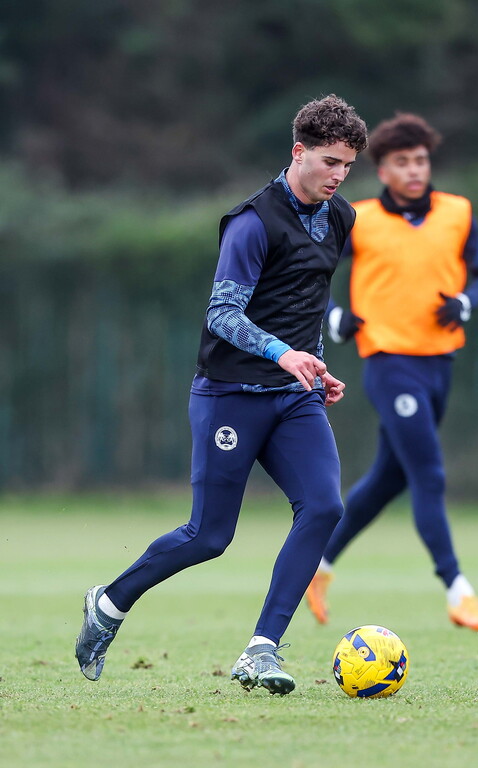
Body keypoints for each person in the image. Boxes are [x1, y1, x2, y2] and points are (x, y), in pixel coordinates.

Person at [74, 95, 368, 695]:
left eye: (348, 166)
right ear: (299, 152)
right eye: (331, 161)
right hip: (230, 394)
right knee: (209, 536)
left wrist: (312, 362)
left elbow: (304, 301)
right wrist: (282, 352)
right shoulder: (251, 222)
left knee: (325, 507)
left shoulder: (342, 218)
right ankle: (109, 602)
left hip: (293, 395)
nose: (339, 175)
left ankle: (262, 650)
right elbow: (222, 314)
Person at [303, 112, 478, 631]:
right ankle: (459, 591)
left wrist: (464, 301)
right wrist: (333, 317)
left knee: (389, 477)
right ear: (383, 171)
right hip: (389, 363)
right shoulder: (358, 216)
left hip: (440, 363)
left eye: (420, 160)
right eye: (401, 163)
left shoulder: (458, 212)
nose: (414, 170)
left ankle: (316, 566)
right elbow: (309, 271)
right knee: (429, 474)